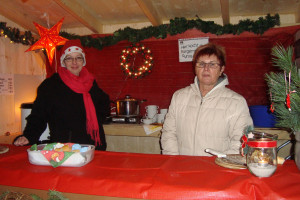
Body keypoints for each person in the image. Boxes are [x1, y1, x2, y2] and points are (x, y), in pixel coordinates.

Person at [14, 39, 110, 150]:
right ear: (63, 61)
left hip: (93, 147)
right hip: (64, 148)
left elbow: (104, 105)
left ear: (83, 61)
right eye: (69, 58)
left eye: (78, 58)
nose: (74, 62)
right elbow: (38, 116)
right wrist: (28, 136)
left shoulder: (90, 82)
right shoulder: (50, 86)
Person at [161, 43, 253, 156]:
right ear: (195, 68)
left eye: (212, 64)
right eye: (201, 64)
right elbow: (168, 133)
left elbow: (241, 142)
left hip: (217, 170)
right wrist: (174, 161)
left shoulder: (236, 102)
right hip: (182, 168)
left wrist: (221, 166)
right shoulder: (179, 97)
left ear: (221, 69)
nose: (206, 69)